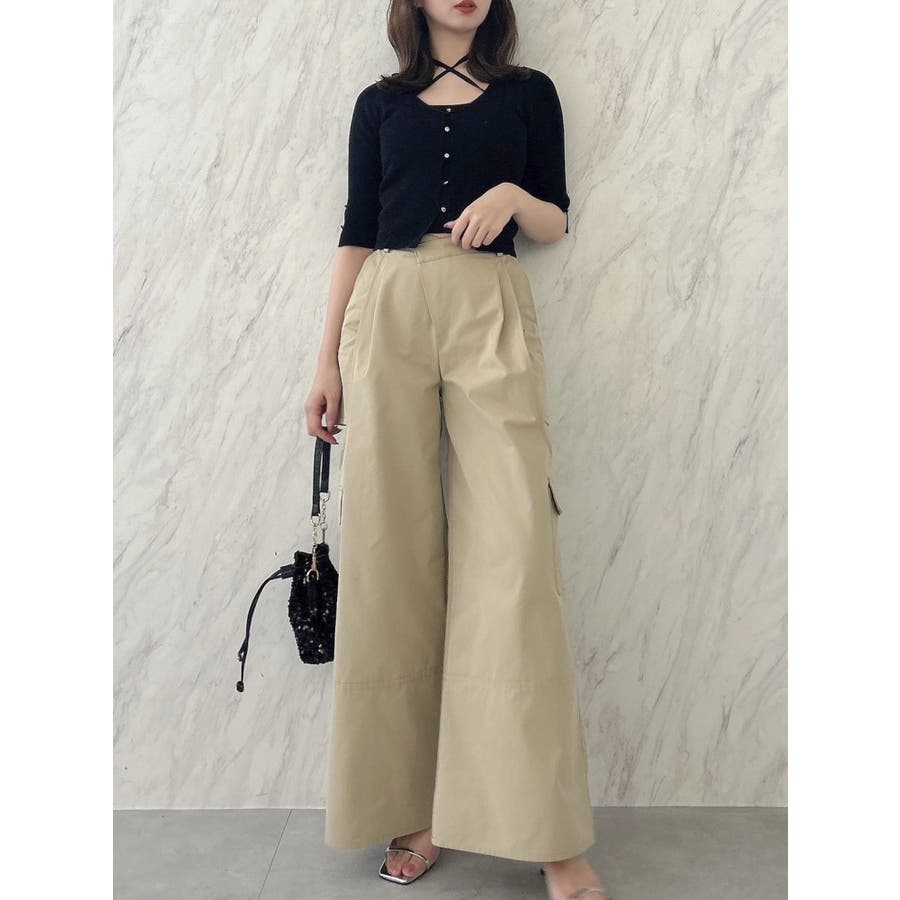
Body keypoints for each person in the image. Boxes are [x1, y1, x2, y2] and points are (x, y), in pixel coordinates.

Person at [305, 2, 611, 898]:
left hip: (490, 308)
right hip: (390, 307)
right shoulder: (379, 103)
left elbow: (555, 217)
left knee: (516, 554)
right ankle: (413, 809)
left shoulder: (528, 93)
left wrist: (515, 199)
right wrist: (325, 362)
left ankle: (547, 833)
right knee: (391, 557)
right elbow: (357, 230)